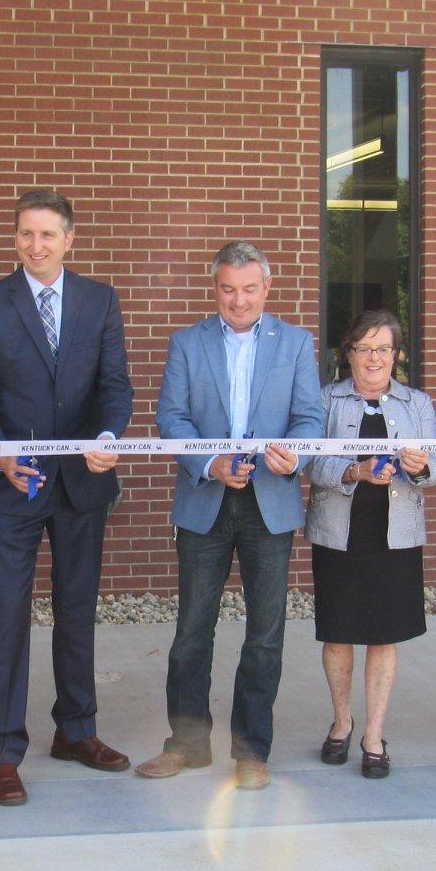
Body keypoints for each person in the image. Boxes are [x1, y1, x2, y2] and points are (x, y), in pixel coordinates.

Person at [0, 189, 134, 806]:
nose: (37, 245)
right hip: (14, 483)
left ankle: (76, 730)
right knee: (8, 615)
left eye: (49, 234)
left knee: (77, 608)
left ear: (69, 239)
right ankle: (4, 749)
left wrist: (111, 436)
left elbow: (115, 387)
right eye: (27, 234)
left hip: (82, 483)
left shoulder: (99, 300)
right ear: (15, 240)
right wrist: (0, 453)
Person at [135, 242, 321, 790]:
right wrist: (209, 461)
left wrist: (296, 453)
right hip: (205, 498)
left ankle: (251, 750)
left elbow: (309, 418)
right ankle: (186, 744)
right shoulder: (187, 343)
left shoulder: (295, 343)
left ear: (267, 287)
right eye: (227, 288)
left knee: (265, 633)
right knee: (192, 629)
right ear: (213, 288)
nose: (238, 300)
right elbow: (171, 418)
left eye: (248, 288)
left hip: (271, 498)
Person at [303, 309, 436, 779]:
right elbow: (309, 462)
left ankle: (373, 736)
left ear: (397, 355)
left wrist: (420, 465)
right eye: (364, 348)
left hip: (396, 534)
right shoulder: (325, 400)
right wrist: (353, 470)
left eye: (383, 348)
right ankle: (342, 723)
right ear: (350, 355)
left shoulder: (417, 403)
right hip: (340, 532)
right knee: (338, 630)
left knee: (385, 633)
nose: (374, 357)